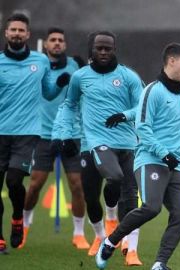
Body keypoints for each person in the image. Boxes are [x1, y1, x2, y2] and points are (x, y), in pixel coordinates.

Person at [95, 42, 180, 270]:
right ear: (171, 61)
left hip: (174, 165)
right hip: (150, 161)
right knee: (151, 207)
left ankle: (160, 263)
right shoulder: (153, 90)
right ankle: (109, 242)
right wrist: (163, 153)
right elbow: (142, 128)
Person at [58, 31, 144, 265]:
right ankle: (102, 231)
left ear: (115, 50)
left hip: (127, 144)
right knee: (93, 194)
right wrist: (66, 135)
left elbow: (143, 107)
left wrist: (124, 115)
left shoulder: (129, 77)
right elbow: (69, 106)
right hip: (94, 143)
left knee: (130, 196)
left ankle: (131, 249)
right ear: (92, 51)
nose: (104, 52)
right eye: (99, 48)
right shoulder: (80, 77)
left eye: (108, 48)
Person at [0, 13, 65, 253]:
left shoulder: (41, 61)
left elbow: (48, 93)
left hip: (27, 133)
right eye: (12, 30)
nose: (16, 33)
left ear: (28, 35)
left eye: (21, 30)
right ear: (6, 34)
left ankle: (18, 218)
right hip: (0, 133)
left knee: (15, 181)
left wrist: (60, 83)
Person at [21, 27, 89, 250]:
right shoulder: (37, 65)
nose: (57, 43)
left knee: (77, 186)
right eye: (53, 40)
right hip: (43, 135)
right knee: (35, 184)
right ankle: (23, 225)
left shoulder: (76, 64)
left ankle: (79, 233)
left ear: (65, 45)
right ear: (46, 44)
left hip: (72, 134)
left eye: (61, 40)